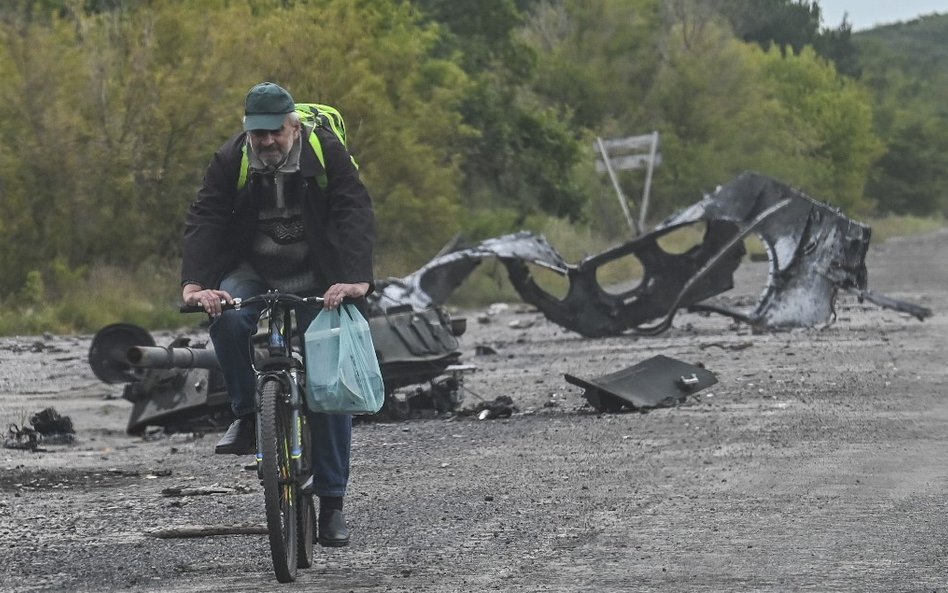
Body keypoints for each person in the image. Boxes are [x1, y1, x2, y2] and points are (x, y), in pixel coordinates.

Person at [180, 81, 375, 547]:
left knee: (327, 386)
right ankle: (249, 414)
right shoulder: (233, 158)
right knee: (227, 318)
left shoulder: (325, 151)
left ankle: (332, 503)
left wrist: (356, 279)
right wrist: (197, 284)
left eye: (275, 133)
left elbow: (354, 211)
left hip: (318, 271)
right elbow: (206, 216)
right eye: (257, 134)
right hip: (252, 266)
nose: (266, 142)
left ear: (294, 126)